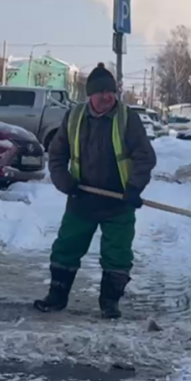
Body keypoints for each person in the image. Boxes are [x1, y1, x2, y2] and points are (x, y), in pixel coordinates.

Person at [35, 63, 157, 319]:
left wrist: (134, 187)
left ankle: (110, 302)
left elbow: (144, 157)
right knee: (66, 248)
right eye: (101, 92)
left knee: (118, 254)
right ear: (90, 94)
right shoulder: (74, 117)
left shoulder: (127, 119)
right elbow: (57, 155)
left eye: (110, 91)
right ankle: (57, 296)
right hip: (82, 198)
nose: (107, 96)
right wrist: (64, 181)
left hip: (119, 202)